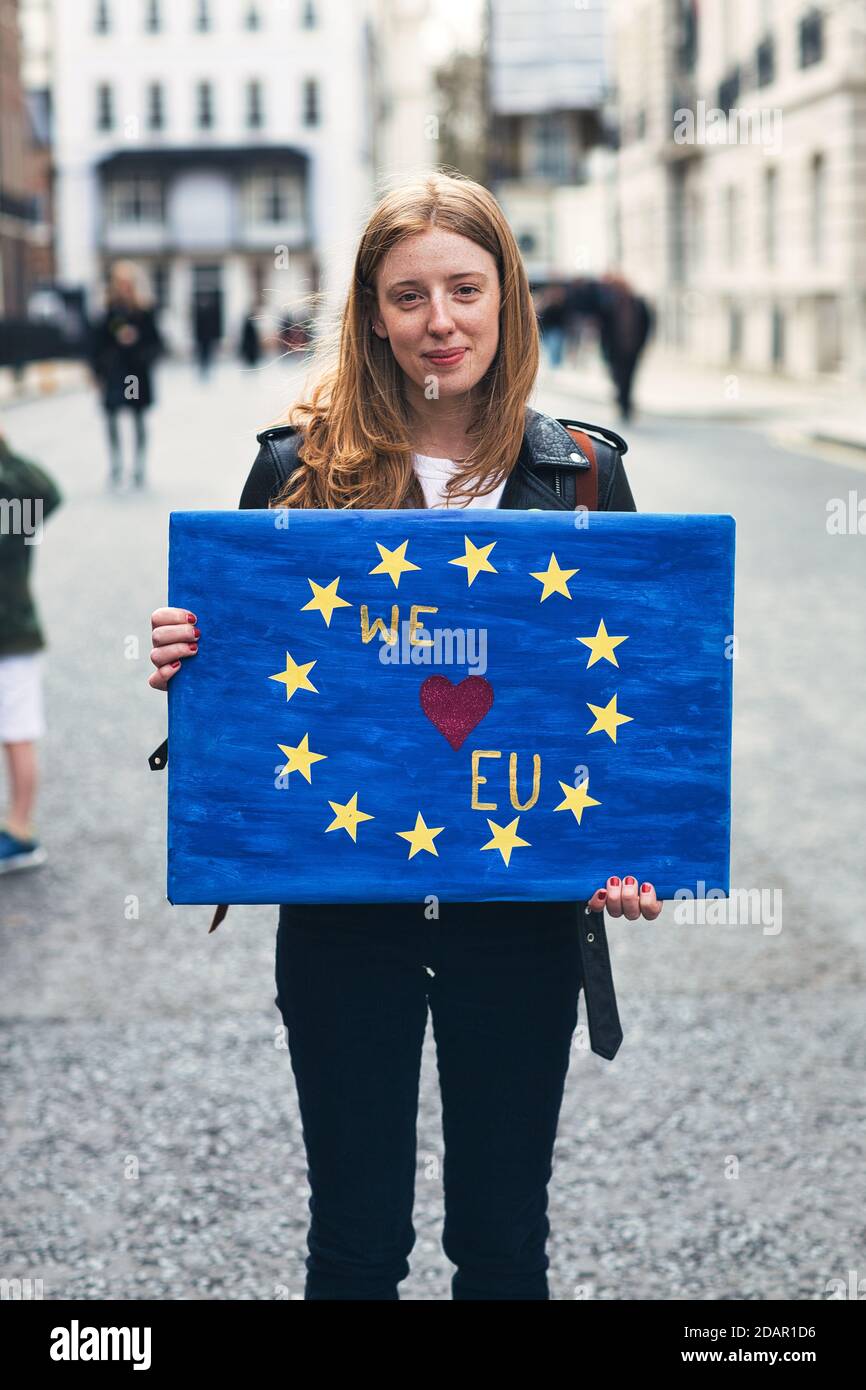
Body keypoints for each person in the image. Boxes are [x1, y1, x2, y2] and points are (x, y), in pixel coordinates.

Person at [147, 171, 663, 1300]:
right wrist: (194, 662)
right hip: (343, 913)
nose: (440, 322)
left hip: (518, 913)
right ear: (371, 315)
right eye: (408, 295)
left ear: (507, 298)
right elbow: (248, 692)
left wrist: (628, 847)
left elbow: (629, 694)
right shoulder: (294, 471)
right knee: (354, 1245)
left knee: (500, 1245)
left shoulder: (580, 471)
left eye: (465, 290)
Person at [0, 429, 62, 872]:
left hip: (12, 634)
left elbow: (45, 491)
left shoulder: (13, 494)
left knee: (17, 732)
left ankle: (20, 830)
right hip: (14, 629)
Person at [89, 260, 164, 488]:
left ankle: (138, 466)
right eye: (119, 283)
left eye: (126, 283)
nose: (122, 288)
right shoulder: (108, 313)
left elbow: (157, 344)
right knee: (111, 418)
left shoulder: (144, 312)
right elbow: (96, 344)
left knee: (138, 418)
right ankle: (116, 464)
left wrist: (137, 345)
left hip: (136, 375)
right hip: (114, 375)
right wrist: (97, 371)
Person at [597, 273, 654, 422]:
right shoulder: (610, 304)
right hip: (615, 348)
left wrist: (642, 343)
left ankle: (626, 405)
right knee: (617, 376)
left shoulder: (639, 303)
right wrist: (604, 347)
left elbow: (648, 324)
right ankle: (622, 401)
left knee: (629, 377)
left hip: (632, 347)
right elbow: (604, 329)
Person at [193, 291, 221, 378]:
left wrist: (215, 336)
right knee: (201, 354)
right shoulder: (198, 311)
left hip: (208, 337)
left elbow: (215, 324)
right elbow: (196, 326)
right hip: (201, 338)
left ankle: (207, 370)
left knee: (208, 354)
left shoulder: (212, 310)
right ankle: (203, 370)